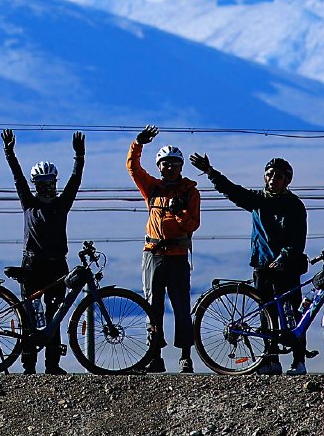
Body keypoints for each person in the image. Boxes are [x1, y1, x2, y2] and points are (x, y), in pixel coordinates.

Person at [190, 151, 308, 374]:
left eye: (279, 176)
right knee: (267, 314)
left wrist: (284, 257)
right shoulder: (258, 200)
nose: (273, 179)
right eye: (269, 174)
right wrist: (209, 172)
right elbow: (233, 191)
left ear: (287, 180)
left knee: (294, 315)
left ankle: (298, 361)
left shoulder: (295, 205)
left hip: (288, 267)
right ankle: (270, 360)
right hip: (263, 266)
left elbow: (297, 239)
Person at [1, 128, 85, 374]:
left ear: (55, 183)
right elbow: (17, 178)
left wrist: (79, 157)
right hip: (33, 265)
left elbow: (75, 182)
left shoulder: (62, 204)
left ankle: (52, 365)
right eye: (41, 184)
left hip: (58, 265)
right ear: (35, 185)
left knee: (55, 315)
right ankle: (28, 365)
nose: (46, 188)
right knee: (29, 315)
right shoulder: (29, 202)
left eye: (50, 183)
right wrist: (9, 154)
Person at [128, 126, 201, 373]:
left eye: (174, 164)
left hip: (178, 257)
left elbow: (193, 224)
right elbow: (133, 169)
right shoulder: (152, 188)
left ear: (181, 167)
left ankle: (185, 356)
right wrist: (139, 143)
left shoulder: (190, 192)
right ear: (159, 167)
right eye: (165, 164)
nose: (169, 168)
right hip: (153, 255)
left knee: (181, 307)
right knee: (153, 308)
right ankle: (155, 356)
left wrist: (177, 212)